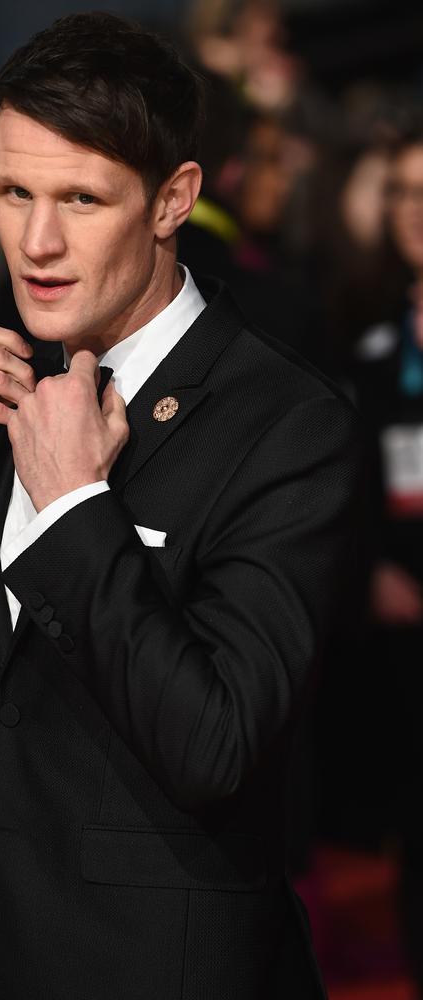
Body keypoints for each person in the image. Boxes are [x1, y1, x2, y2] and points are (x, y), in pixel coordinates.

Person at [0, 13, 361, 999]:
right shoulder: (14, 386)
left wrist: (77, 503)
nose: (36, 242)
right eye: (13, 192)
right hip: (6, 958)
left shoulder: (287, 425)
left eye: (80, 198)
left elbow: (214, 745)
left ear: (171, 200)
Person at [352, 124, 423, 997]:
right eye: (404, 192)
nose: (417, 212)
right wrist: (366, 568)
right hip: (404, 638)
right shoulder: (368, 351)